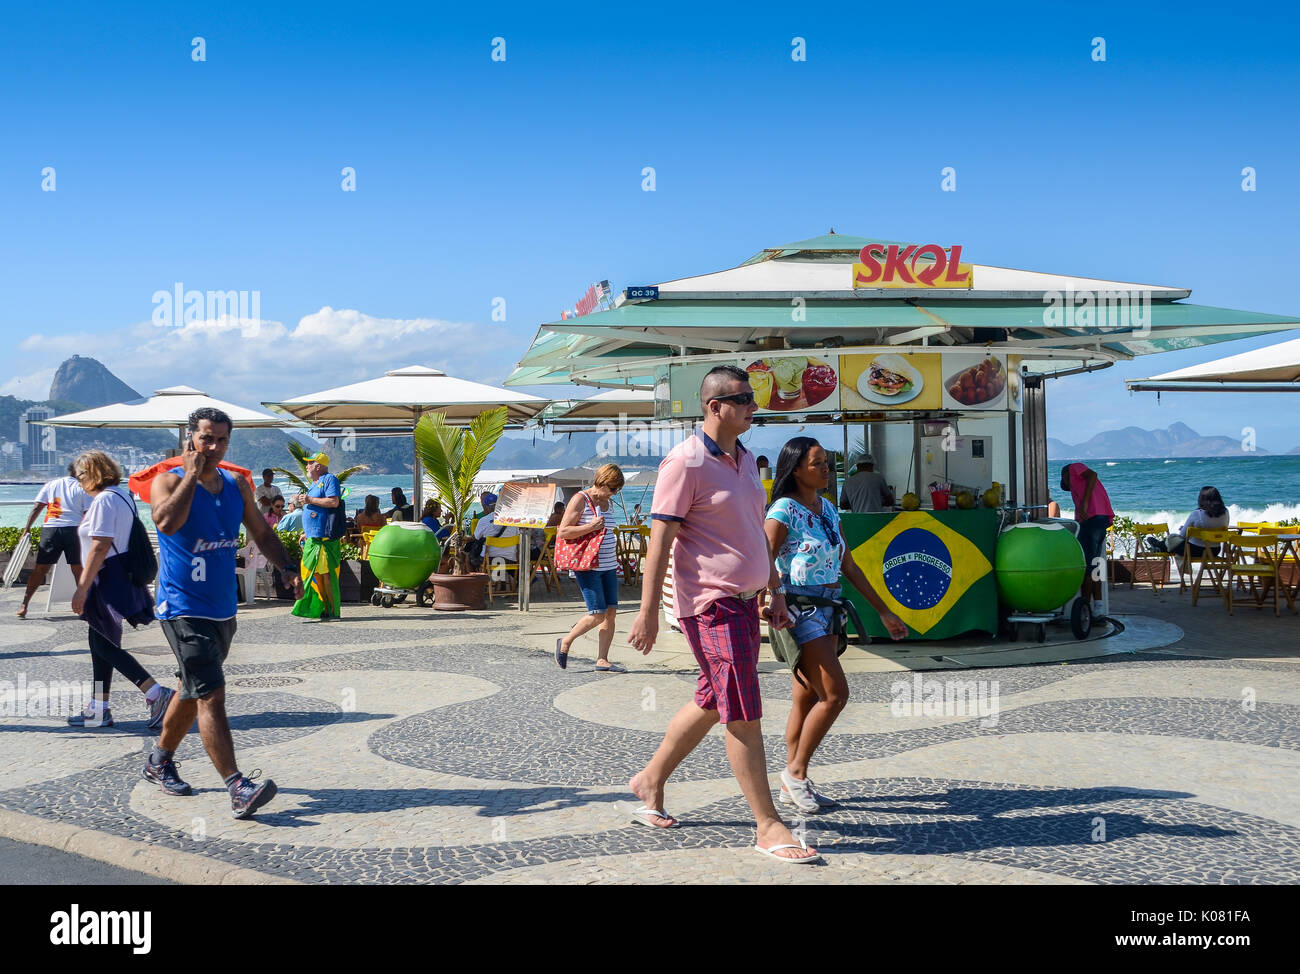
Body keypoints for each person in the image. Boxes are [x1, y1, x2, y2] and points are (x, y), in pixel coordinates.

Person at [627, 364, 819, 864]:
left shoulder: (747, 459)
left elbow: (754, 530)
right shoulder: (685, 463)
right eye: (745, 399)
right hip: (710, 604)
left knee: (714, 699)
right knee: (744, 710)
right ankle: (768, 824)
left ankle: (649, 781)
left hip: (745, 600)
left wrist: (773, 587)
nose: (755, 406)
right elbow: (660, 540)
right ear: (715, 407)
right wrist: (647, 611)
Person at [146, 407, 302, 816]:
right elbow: (165, 523)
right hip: (181, 607)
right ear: (189, 440)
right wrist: (192, 477)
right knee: (212, 694)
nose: (213, 447)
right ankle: (238, 786)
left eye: (221, 440)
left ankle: (158, 759)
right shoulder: (168, 482)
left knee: (190, 687)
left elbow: (262, 532)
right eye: (205, 438)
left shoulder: (236, 485)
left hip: (221, 608)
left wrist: (286, 567)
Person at [763, 437, 907, 812]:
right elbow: (762, 556)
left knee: (807, 697)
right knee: (836, 694)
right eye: (818, 463)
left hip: (829, 609)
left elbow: (849, 564)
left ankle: (793, 782)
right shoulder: (784, 509)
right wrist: (774, 595)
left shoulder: (827, 508)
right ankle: (794, 774)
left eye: (827, 462)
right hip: (800, 609)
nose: (827, 469)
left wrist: (883, 611)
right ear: (796, 469)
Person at [65, 452, 173, 729]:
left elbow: (100, 546)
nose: (78, 481)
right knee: (100, 643)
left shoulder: (104, 500)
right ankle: (99, 708)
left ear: (93, 472)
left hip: (106, 576)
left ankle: (155, 693)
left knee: (103, 644)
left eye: (80, 475)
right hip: (120, 573)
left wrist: (82, 588)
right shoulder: (121, 496)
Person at [555, 463, 626, 673]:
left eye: (617, 489)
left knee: (611, 613)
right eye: (613, 489)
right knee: (597, 614)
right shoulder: (581, 499)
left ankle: (602, 659)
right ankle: (566, 641)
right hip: (588, 566)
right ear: (602, 482)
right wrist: (590, 526)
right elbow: (564, 532)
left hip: (609, 565)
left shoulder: (609, 503)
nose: (614, 493)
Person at [17, 463, 89, 618]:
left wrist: (27, 528)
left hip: (51, 529)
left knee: (40, 569)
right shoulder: (83, 487)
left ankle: (24, 605)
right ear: (80, 473)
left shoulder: (51, 484)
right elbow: (88, 513)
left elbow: (38, 507)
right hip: (74, 530)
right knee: (78, 570)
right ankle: (84, 608)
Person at [292, 453, 343, 622]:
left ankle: (332, 610)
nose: (306, 466)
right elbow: (315, 512)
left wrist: (310, 499)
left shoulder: (329, 479)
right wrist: (307, 530)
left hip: (324, 540)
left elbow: (333, 502)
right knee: (314, 574)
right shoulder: (314, 484)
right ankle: (321, 607)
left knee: (326, 575)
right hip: (313, 538)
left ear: (318, 466)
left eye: (309, 463)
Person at [1060, 462, 1114, 612]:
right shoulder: (1077, 484)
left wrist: (1084, 503)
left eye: (1069, 485)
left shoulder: (1073, 468)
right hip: (1097, 518)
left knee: (1088, 564)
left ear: (1065, 476)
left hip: (1094, 517)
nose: (1072, 489)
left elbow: (1092, 475)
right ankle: (1098, 606)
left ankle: (1086, 607)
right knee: (1095, 563)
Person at [1145, 486, 1230, 557]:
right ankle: (1160, 546)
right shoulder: (1226, 512)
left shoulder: (1197, 514)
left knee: (1172, 539)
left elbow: (1182, 536)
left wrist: (1189, 530)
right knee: (1175, 542)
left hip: (1196, 550)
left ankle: (1160, 546)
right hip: (1214, 551)